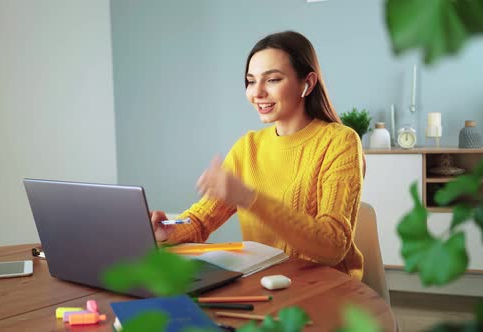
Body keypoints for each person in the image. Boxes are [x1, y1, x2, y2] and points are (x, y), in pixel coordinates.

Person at [151, 31, 364, 279]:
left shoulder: (340, 142)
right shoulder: (248, 147)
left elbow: (333, 246)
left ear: (307, 83)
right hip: (265, 283)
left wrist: (249, 197)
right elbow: (200, 220)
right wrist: (167, 231)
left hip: (326, 289)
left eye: (272, 80)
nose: (257, 92)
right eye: (251, 81)